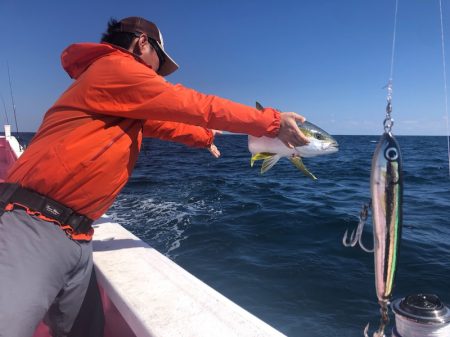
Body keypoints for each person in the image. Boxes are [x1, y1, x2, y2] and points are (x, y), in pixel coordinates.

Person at [0, 16, 309, 337]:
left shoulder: (120, 94)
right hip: (34, 224)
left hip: (75, 236)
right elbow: (191, 103)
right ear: (142, 43)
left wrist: (204, 138)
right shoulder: (115, 68)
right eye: (158, 64)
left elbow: (162, 122)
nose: (157, 75)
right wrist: (270, 122)